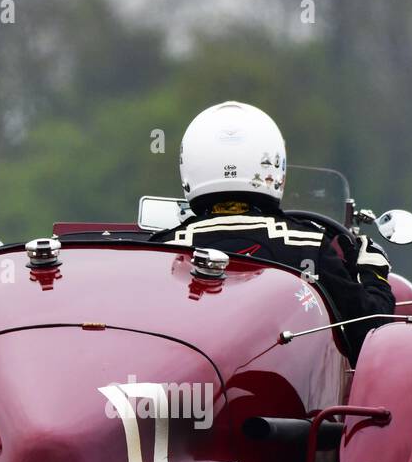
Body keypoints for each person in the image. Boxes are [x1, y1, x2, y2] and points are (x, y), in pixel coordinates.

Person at [152, 101, 394, 357]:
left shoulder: (161, 252)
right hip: (292, 394)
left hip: (187, 395)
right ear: (273, 165)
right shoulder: (307, 244)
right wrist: (372, 273)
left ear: (189, 164)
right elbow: (369, 334)